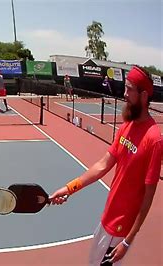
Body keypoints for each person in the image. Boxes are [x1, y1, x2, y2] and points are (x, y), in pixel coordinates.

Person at [49, 66, 162, 266]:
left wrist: (128, 241)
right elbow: (103, 164)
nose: (124, 94)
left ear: (144, 95)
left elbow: (148, 196)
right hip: (107, 217)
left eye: (129, 89)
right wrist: (69, 188)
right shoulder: (128, 125)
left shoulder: (154, 140)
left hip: (121, 229)